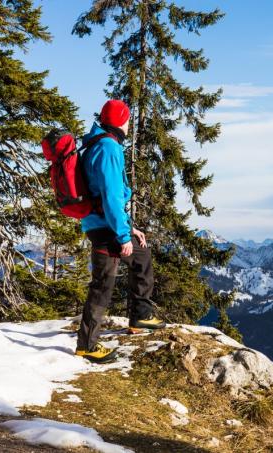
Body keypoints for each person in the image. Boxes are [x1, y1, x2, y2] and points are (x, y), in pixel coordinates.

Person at [74, 99, 166, 363]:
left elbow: (102, 196)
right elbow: (112, 196)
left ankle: (140, 316)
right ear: (122, 121)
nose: (129, 125)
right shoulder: (109, 148)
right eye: (127, 120)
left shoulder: (94, 144)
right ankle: (88, 344)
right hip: (105, 228)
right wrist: (123, 235)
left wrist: (129, 228)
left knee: (140, 257)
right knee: (103, 284)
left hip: (98, 224)